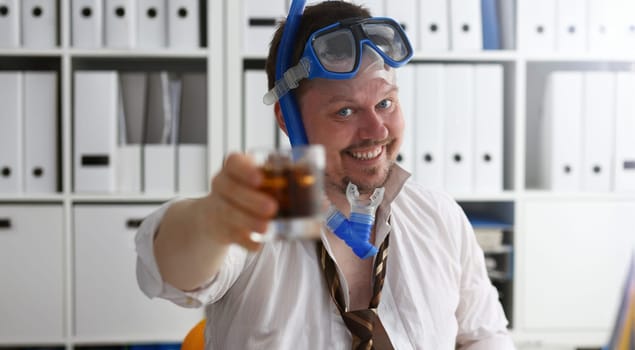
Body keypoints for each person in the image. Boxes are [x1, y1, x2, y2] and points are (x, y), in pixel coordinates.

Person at [135, 1, 516, 349]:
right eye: (345, 112)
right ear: (288, 119)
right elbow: (172, 271)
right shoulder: (264, 208)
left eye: (385, 103)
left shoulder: (436, 214)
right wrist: (211, 220)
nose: (376, 130)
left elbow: (482, 335)